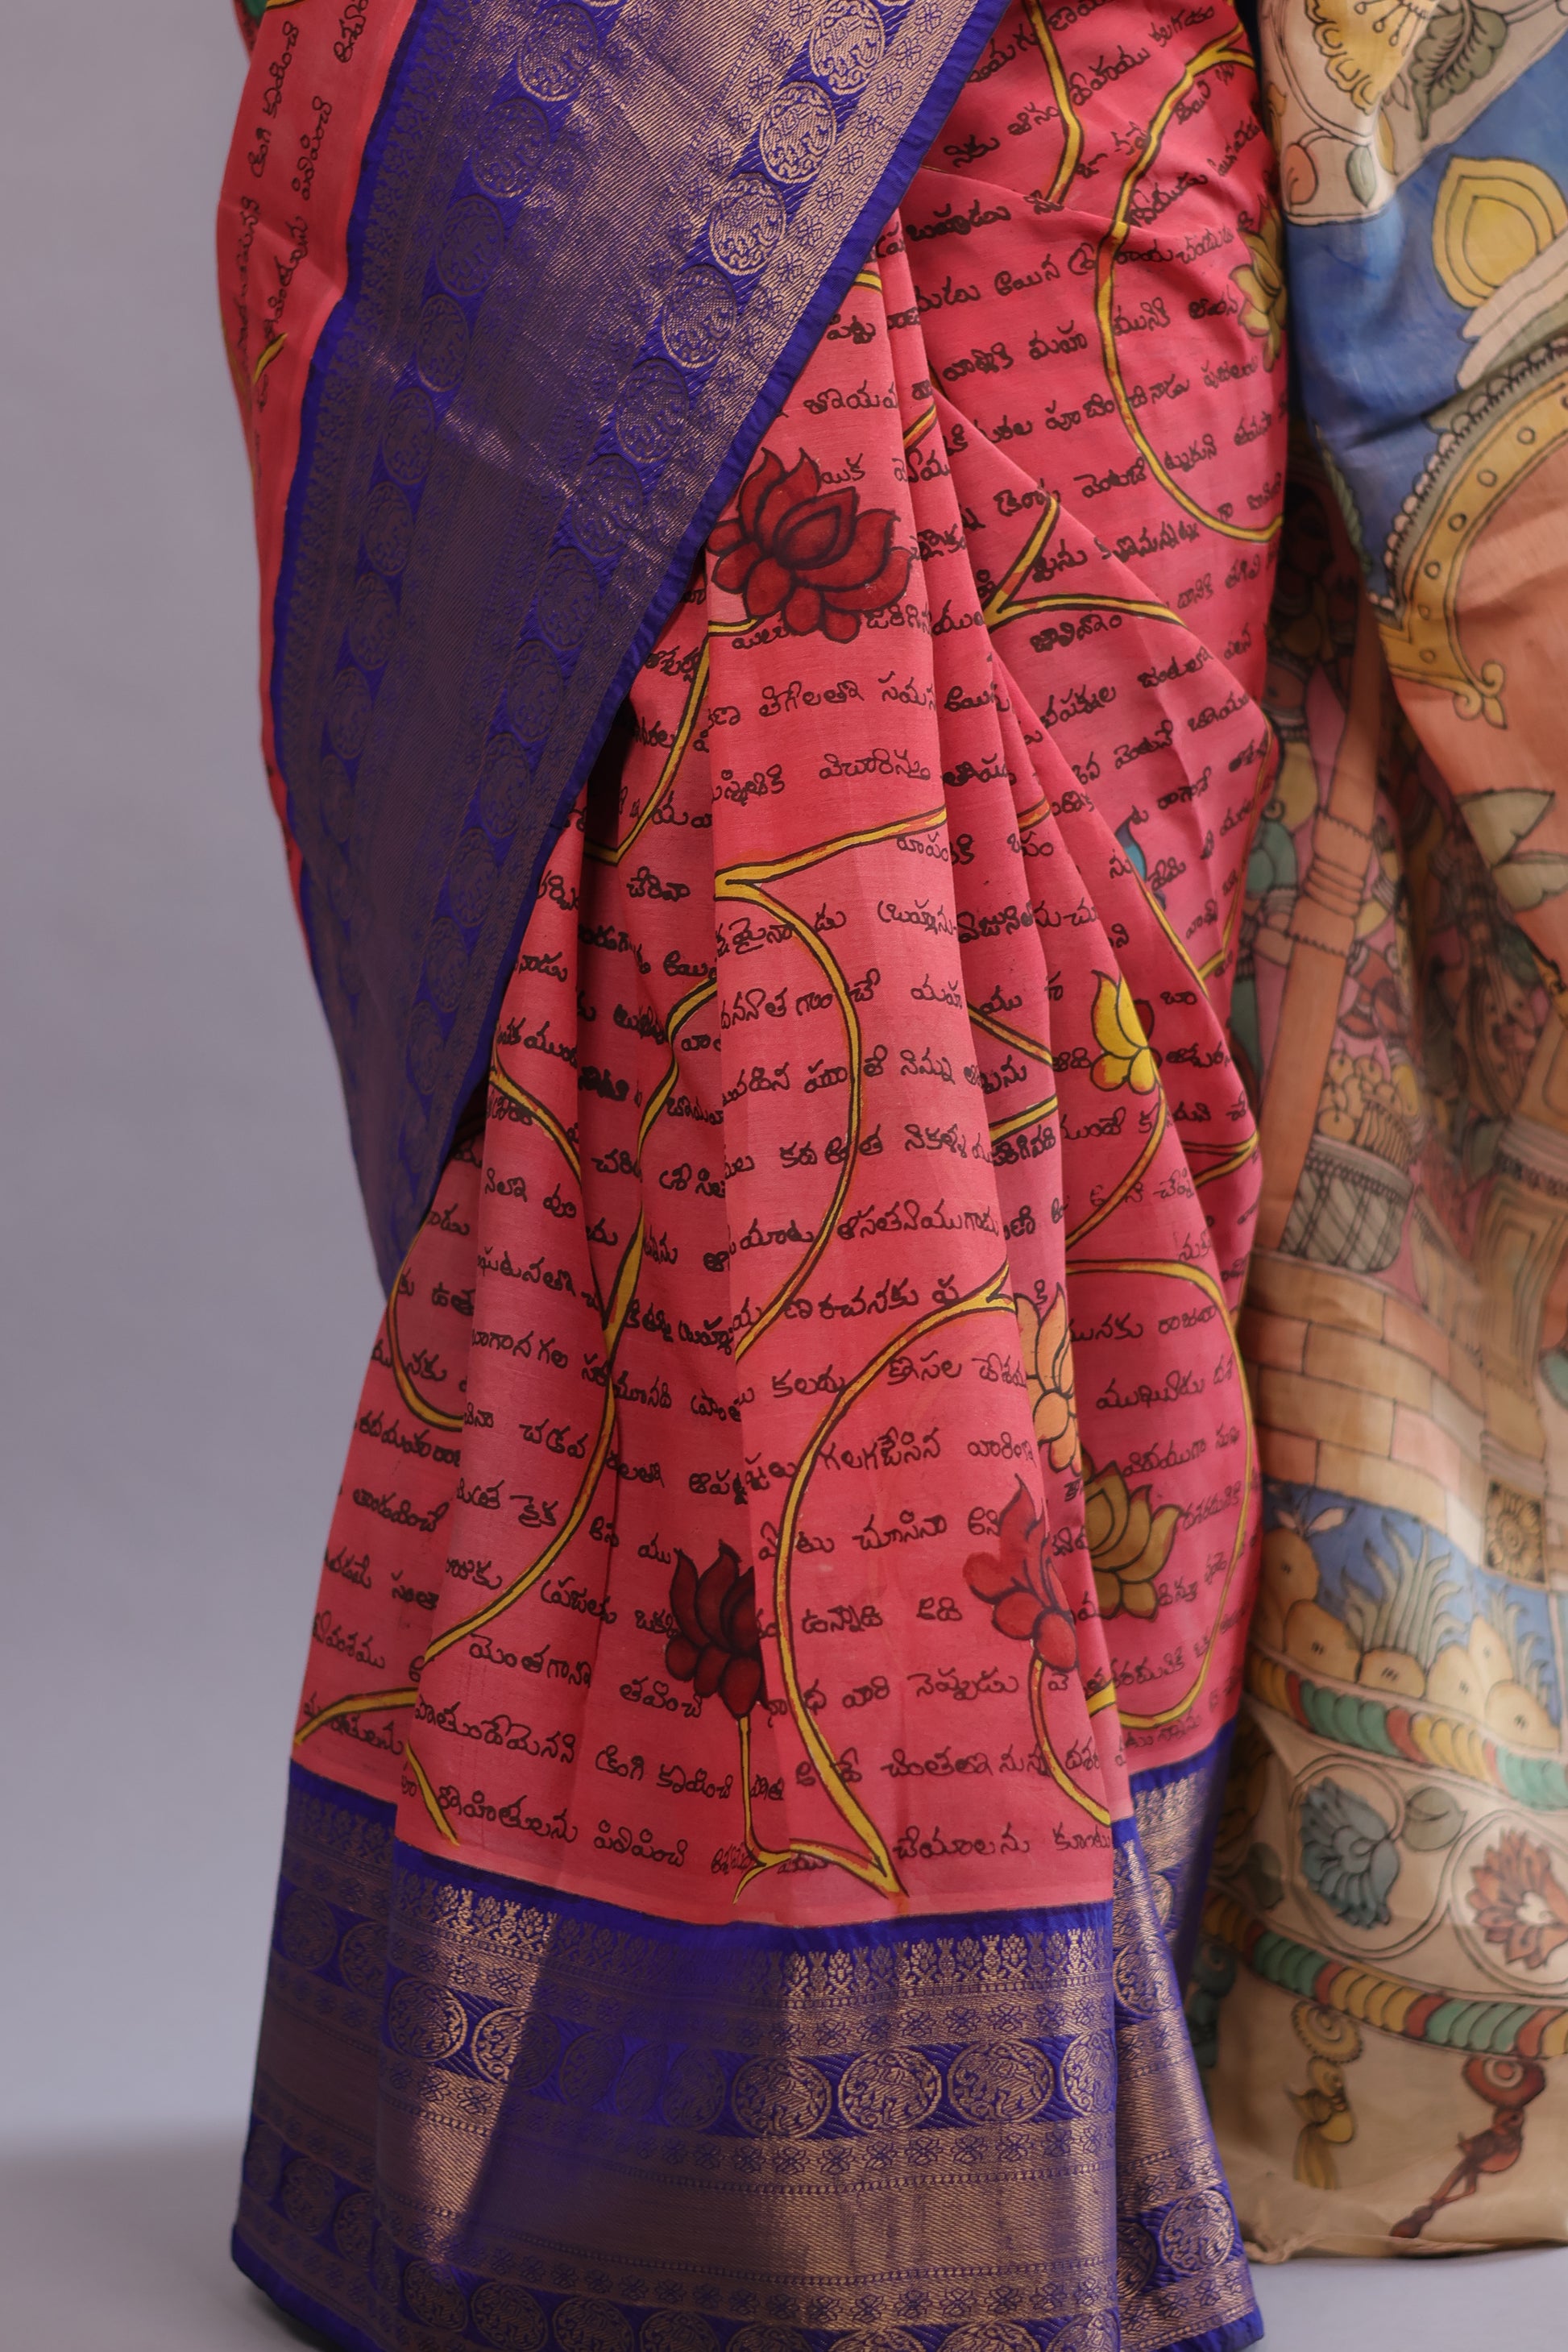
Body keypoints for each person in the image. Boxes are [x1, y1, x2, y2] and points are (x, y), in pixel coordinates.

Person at [217, 0, 1568, 2335]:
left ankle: (1052, 2046)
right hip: (613, 142)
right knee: (691, 1087)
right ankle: (661, 2123)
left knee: (1095, 1118)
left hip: (1098, 193)